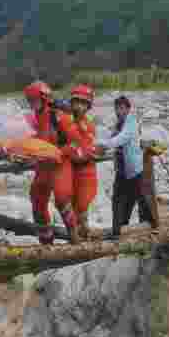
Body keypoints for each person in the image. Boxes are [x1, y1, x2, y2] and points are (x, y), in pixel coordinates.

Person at [23, 80, 81, 245]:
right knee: (36, 198)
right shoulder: (34, 118)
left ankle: (74, 238)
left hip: (60, 163)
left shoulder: (59, 116)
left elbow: (76, 142)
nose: (32, 103)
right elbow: (34, 139)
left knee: (62, 198)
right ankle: (46, 241)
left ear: (44, 98)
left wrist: (59, 153)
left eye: (34, 100)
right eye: (30, 101)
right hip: (43, 165)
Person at [97, 95, 158, 238]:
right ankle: (118, 231)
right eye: (117, 108)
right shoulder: (119, 123)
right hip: (122, 171)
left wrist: (104, 144)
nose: (119, 111)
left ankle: (151, 228)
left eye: (122, 108)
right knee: (119, 201)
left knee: (142, 200)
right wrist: (103, 145)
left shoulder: (131, 122)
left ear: (128, 109)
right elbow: (113, 139)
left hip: (135, 171)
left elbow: (121, 139)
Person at [65, 84, 99, 239]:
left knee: (82, 208)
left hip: (86, 173)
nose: (78, 106)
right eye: (76, 102)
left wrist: (71, 152)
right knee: (73, 208)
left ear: (88, 106)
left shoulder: (88, 126)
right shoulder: (66, 122)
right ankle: (79, 238)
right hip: (72, 172)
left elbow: (86, 151)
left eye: (82, 103)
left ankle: (86, 238)